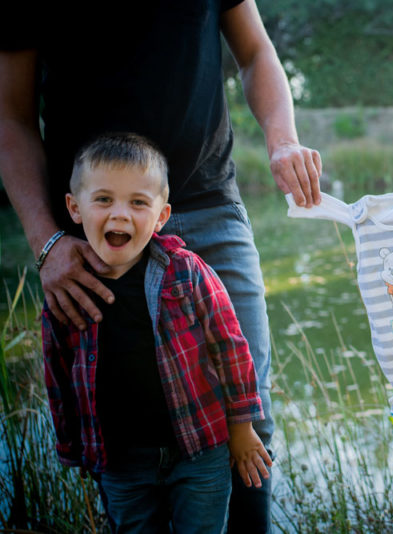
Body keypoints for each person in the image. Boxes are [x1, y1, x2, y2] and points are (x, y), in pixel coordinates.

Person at [0, 1, 321, 530]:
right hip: (92, 235)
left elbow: (256, 52)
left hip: (208, 209)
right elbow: (10, 115)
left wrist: (283, 139)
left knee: (250, 424)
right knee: (118, 430)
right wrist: (47, 242)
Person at [42, 132, 272, 532]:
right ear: (73, 207)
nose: (119, 215)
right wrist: (75, 449)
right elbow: (58, 374)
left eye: (137, 203)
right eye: (103, 200)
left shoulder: (186, 272)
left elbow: (232, 349)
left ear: (161, 216)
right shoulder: (69, 290)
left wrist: (242, 428)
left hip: (200, 451)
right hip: (121, 462)